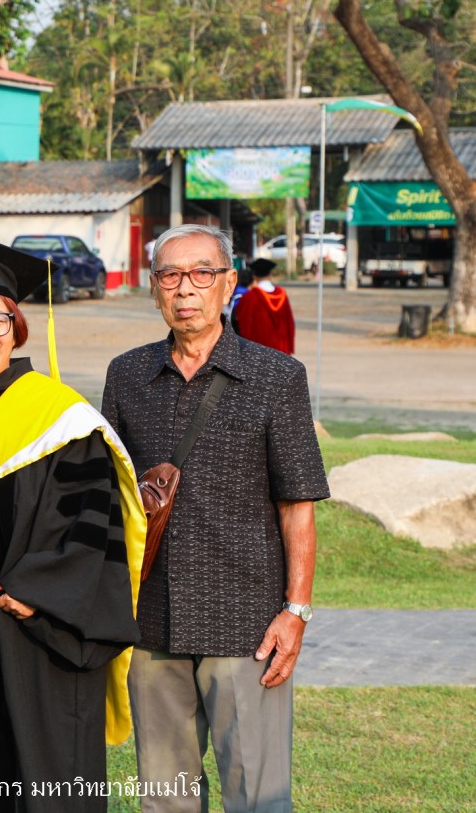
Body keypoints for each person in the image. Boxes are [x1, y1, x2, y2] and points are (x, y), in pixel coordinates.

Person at [0, 231, 146, 811]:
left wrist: (37, 592)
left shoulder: (62, 420)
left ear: (16, 326)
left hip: (42, 635)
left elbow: (93, 526)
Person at [102, 224, 328, 812]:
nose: (186, 289)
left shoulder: (278, 377)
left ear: (229, 283)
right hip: (152, 625)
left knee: (256, 795)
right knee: (164, 796)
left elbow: (296, 504)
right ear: (154, 289)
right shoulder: (127, 376)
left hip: (246, 625)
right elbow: (114, 499)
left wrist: (295, 612)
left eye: (201, 273)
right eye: (170, 275)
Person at [234, 258, 296, 354]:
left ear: (254, 276)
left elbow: (244, 326)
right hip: (281, 350)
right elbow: (289, 323)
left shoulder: (249, 297)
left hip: (259, 351)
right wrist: (289, 346)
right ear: (270, 275)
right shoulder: (282, 295)